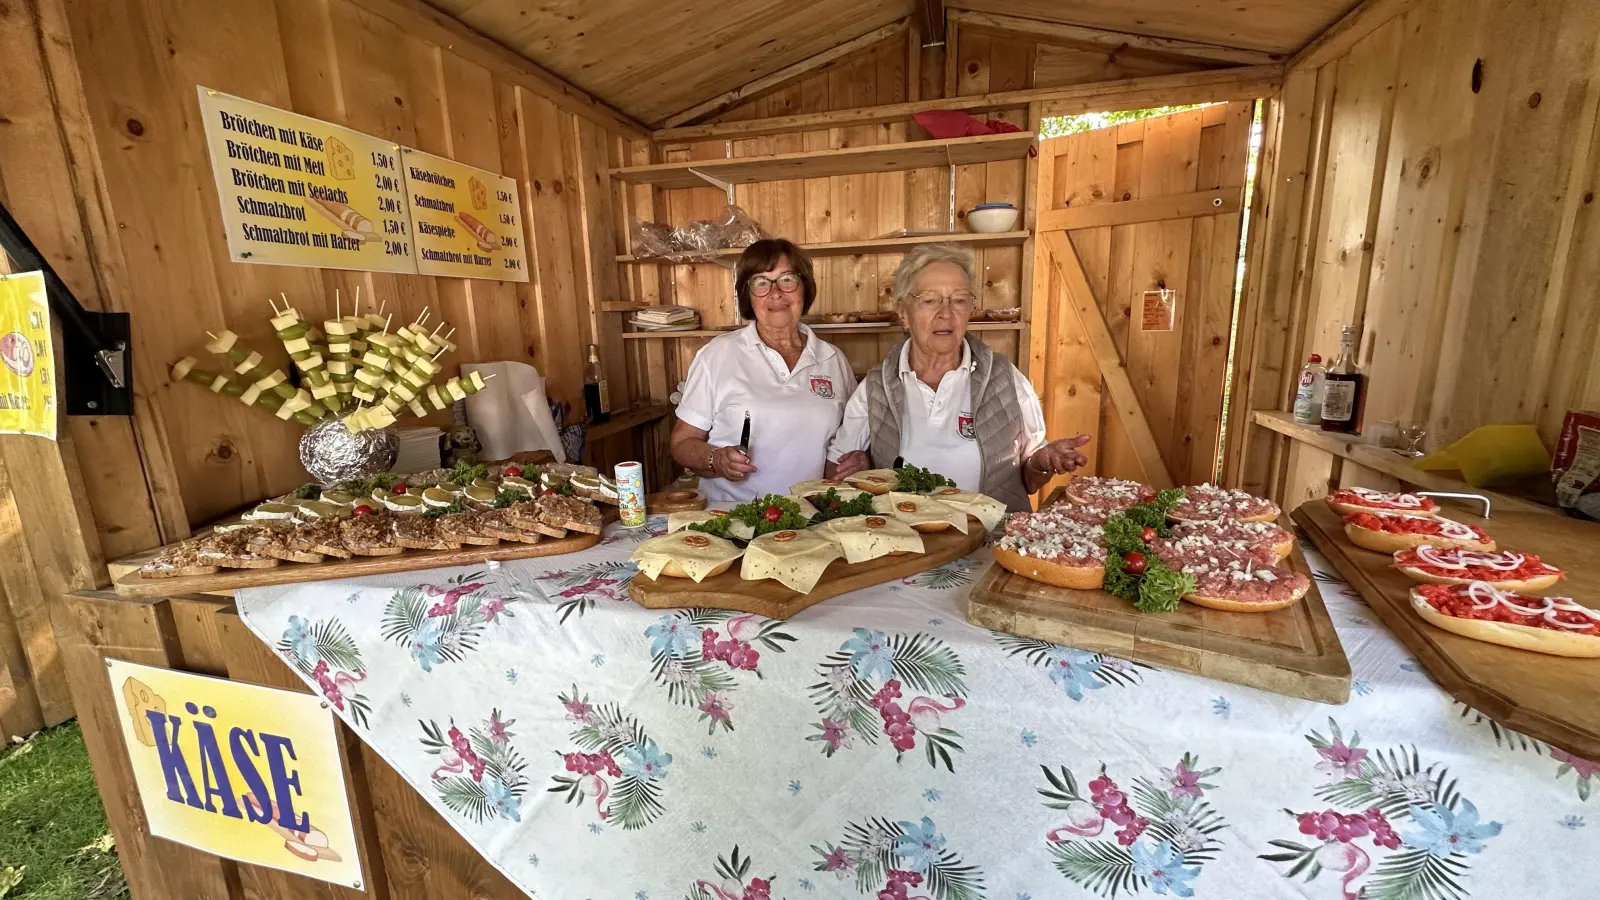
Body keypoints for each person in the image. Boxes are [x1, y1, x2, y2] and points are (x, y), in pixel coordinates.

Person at [827, 243, 1089, 511]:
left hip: (989, 546)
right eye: (930, 300)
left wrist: (1043, 460)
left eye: (959, 300)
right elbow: (837, 469)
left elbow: (1029, 476)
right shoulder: (875, 386)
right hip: (908, 547)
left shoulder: (1004, 377)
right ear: (904, 313)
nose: (946, 313)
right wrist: (862, 466)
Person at [670, 239, 856, 502]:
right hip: (733, 516)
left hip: (813, 517)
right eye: (761, 283)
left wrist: (856, 461)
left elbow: (845, 444)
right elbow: (682, 443)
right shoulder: (718, 355)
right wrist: (717, 459)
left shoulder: (833, 360)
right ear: (748, 295)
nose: (776, 293)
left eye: (787, 280)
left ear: (805, 287)